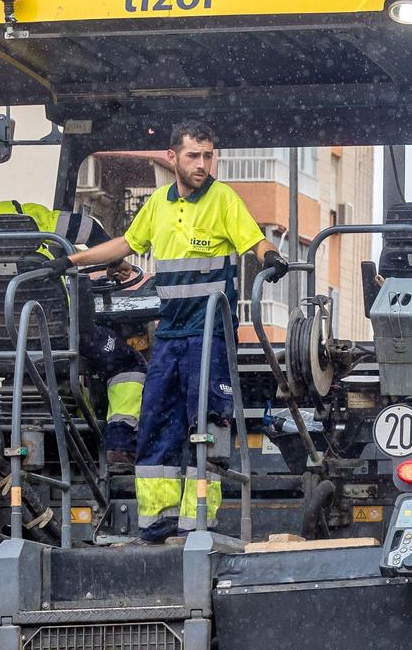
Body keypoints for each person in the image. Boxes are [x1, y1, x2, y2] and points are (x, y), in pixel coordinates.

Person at [71, 122, 285, 541]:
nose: (202, 164)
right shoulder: (158, 206)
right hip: (169, 334)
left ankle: (197, 522)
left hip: (209, 335)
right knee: (156, 423)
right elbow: (125, 245)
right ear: (173, 157)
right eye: (194, 156)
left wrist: (273, 256)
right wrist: (73, 262)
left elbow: (254, 240)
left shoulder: (223, 199)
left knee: (206, 426)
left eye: (208, 155)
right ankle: (157, 523)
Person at [0, 194, 143, 463]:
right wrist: (114, 259)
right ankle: (118, 443)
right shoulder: (14, 210)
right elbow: (85, 227)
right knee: (126, 362)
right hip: (57, 335)